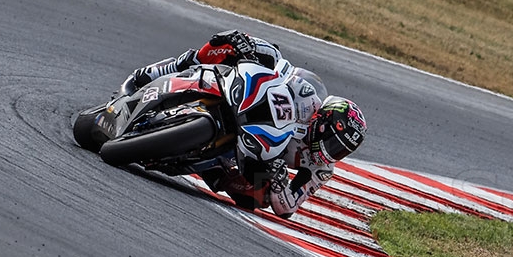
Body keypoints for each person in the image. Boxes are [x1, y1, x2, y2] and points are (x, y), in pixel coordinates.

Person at [118, 30, 367, 218]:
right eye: (333, 143)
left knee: (258, 198)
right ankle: (169, 70)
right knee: (227, 46)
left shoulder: (321, 169)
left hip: (258, 159)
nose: (331, 152)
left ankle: (213, 169)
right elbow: (282, 69)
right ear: (322, 121)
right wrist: (250, 46)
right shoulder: (309, 100)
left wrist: (279, 181)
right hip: (252, 109)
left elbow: (287, 208)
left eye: (340, 151)